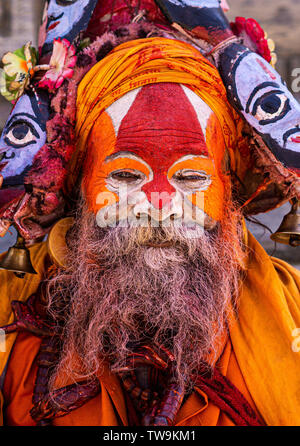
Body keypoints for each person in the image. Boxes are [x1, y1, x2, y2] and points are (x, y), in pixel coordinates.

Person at [0, 37, 299, 427]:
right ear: (79, 187)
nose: (159, 202)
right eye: (125, 175)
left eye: (191, 176)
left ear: (229, 191)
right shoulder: (11, 310)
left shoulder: (290, 308)